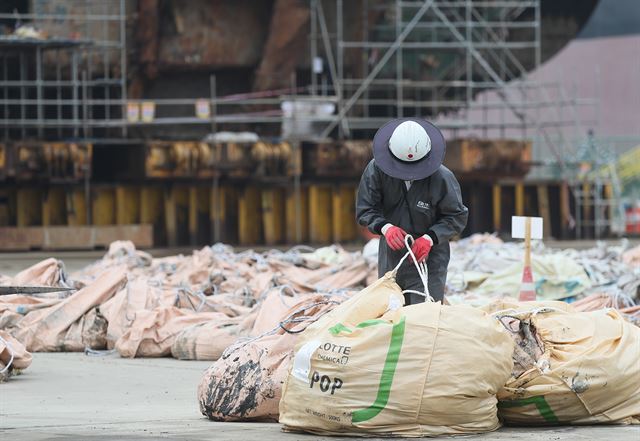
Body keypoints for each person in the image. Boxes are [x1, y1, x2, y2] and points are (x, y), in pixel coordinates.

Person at [356, 118, 468, 304]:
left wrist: (430, 238)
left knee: (424, 311)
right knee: (391, 308)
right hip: (392, 255)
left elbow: (456, 216)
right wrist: (386, 227)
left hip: (430, 256)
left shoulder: (442, 178)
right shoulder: (376, 171)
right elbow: (366, 209)